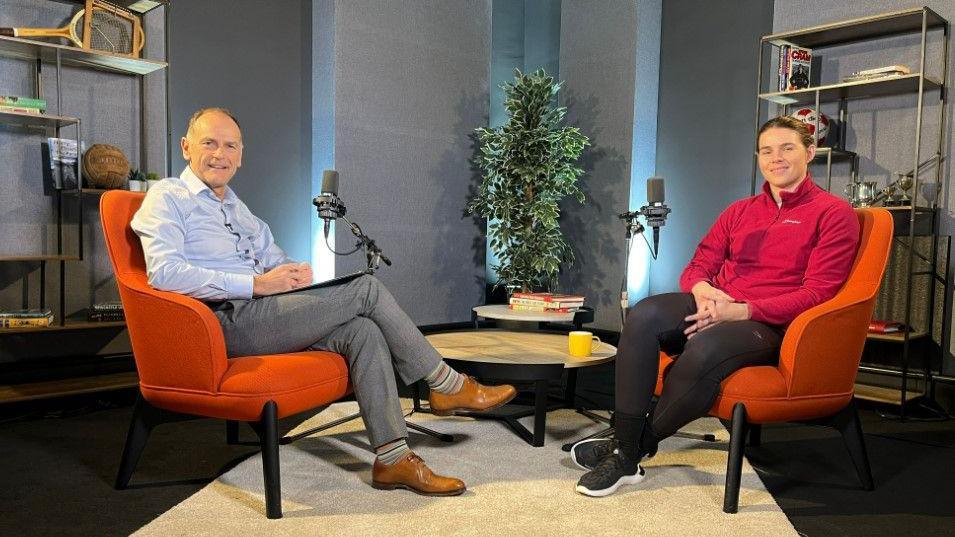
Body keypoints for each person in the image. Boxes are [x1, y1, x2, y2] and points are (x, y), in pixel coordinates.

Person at [131, 107, 517, 497]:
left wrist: (290, 273)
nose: (220, 154)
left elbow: (272, 258)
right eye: (209, 143)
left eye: (230, 145)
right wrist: (256, 285)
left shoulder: (236, 207)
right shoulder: (168, 197)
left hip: (263, 312)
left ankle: (393, 459)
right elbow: (164, 273)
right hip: (221, 323)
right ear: (185, 147)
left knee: (362, 330)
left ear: (241, 155)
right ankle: (446, 384)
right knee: (365, 289)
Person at [572, 116, 860, 497]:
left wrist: (741, 311)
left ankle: (628, 450)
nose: (777, 158)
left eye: (787, 148)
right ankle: (626, 443)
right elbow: (698, 264)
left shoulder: (833, 213)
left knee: (707, 346)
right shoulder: (740, 211)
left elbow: (818, 293)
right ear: (758, 158)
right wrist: (704, 290)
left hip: (768, 323)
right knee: (643, 315)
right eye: (767, 150)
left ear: (809, 153)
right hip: (717, 304)